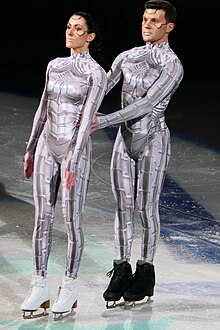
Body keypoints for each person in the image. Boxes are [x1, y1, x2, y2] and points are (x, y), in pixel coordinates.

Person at [91, 0, 184, 307]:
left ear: (168, 27)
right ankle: (121, 269)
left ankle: (145, 271)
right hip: (125, 137)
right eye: (145, 19)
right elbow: (103, 85)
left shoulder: (172, 65)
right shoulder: (127, 56)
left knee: (145, 207)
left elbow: (146, 105)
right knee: (122, 207)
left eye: (154, 21)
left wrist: (102, 120)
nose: (147, 25)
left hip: (153, 138)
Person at [21, 11, 107, 319]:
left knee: (71, 221)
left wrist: (73, 156)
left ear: (90, 36)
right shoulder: (54, 65)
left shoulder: (96, 73)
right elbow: (42, 109)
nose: (71, 32)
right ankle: (39, 284)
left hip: (75, 150)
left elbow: (86, 121)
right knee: (42, 219)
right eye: (69, 27)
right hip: (46, 146)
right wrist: (30, 148)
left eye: (79, 29)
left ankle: (69, 287)